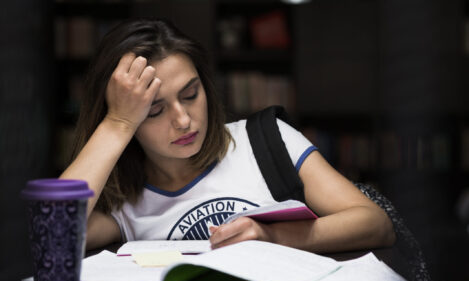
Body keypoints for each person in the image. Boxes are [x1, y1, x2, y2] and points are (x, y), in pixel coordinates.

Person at [60, 18, 395, 252]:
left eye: (191, 94)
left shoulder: (266, 140)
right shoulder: (125, 204)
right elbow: (56, 234)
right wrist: (117, 123)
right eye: (154, 110)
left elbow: (375, 223)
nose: (183, 120)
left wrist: (271, 236)